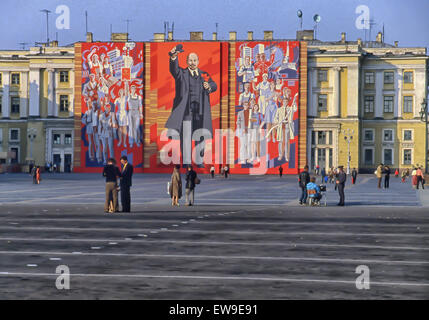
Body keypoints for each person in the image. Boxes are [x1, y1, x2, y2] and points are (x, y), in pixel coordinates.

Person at [166, 46, 217, 166]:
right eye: (190, 60)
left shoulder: (204, 74)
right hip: (186, 111)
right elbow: (174, 70)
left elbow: (214, 84)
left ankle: (199, 160)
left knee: (200, 134)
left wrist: (209, 87)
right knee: (186, 135)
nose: (192, 63)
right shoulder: (181, 74)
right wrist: (173, 57)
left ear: (198, 62)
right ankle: (187, 161)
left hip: (200, 110)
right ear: (187, 61)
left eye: (194, 60)